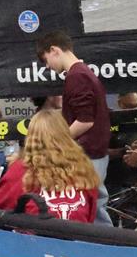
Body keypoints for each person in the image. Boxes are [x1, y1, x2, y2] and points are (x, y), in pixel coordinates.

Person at [36, 31, 112, 226]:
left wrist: (57, 142)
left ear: (54, 50)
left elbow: (85, 121)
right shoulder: (84, 73)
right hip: (95, 152)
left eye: (46, 60)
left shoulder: (76, 76)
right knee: (95, 205)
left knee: (92, 207)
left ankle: (108, 246)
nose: (48, 66)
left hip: (88, 154)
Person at [0, 110, 99, 223]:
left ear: (30, 137)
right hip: (78, 237)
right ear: (65, 135)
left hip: (34, 238)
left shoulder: (20, 170)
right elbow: (90, 216)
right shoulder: (84, 167)